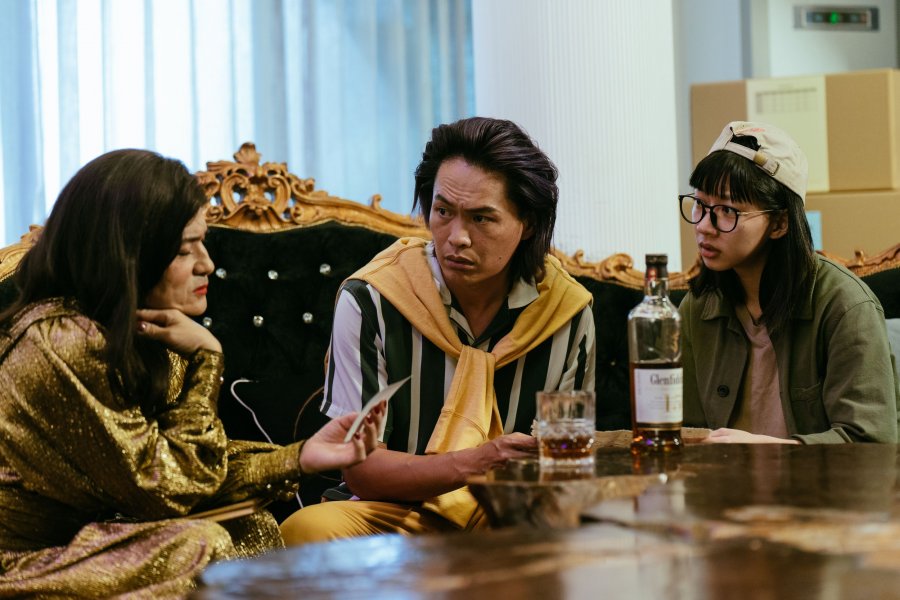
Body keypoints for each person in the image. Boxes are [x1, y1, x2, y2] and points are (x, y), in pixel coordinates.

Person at [0, 149, 384, 597]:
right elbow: (168, 488)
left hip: (101, 539)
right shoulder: (62, 342)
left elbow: (190, 467)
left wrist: (299, 458)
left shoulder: (149, 333)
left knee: (252, 527)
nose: (206, 264)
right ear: (128, 253)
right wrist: (208, 360)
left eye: (203, 243)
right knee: (201, 546)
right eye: (185, 249)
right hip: (27, 563)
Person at [280, 117, 596, 543]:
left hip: (512, 515)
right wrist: (475, 462)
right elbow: (361, 471)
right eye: (444, 211)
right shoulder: (374, 298)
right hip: (392, 512)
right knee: (306, 530)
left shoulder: (566, 312)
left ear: (529, 225)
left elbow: (568, 466)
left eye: (482, 218)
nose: (457, 237)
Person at [679, 121, 899, 444]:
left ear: (780, 223)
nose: (704, 226)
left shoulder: (845, 307)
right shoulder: (698, 307)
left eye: (726, 210)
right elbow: (686, 435)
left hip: (819, 481)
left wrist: (773, 451)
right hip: (723, 478)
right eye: (700, 204)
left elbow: (870, 444)